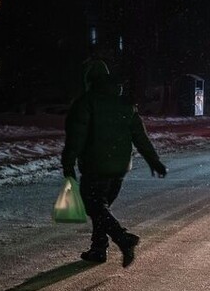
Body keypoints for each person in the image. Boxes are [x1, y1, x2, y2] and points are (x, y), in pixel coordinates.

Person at [61, 59, 167, 267]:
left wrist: (68, 163)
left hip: (95, 166)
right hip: (119, 168)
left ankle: (123, 238)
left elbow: (76, 137)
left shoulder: (86, 102)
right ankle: (98, 249)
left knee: (94, 207)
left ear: (89, 80)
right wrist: (154, 161)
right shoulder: (125, 104)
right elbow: (140, 136)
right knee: (102, 209)